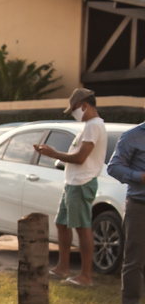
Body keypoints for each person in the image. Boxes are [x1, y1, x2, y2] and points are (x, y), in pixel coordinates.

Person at [33, 88, 108, 287]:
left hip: (82, 183)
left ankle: (85, 276)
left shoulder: (94, 126)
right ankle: (63, 267)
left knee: (82, 228)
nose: (74, 114)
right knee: (62, 223)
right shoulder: (89, 126)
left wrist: (53, 153)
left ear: (84, 106)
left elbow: (81, 157)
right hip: (73, 183)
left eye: (74, 109)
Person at [107, 118, 145, 304]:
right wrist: (139, 177)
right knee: (135, 259)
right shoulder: (132, 136)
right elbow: (114, 167)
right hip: (139, 205)